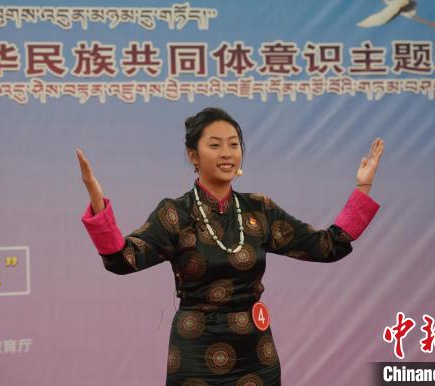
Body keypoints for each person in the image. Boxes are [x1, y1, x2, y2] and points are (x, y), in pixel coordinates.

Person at [77, 107, 384, 386]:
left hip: (257, 357)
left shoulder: (259, 210)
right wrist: (97, 202)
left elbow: (326, 246)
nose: (227, 153)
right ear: (193, 155)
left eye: (234, 145)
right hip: (194, 356)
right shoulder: (174, 213)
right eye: (215, 145)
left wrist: (363, 188)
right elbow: (123, 259)